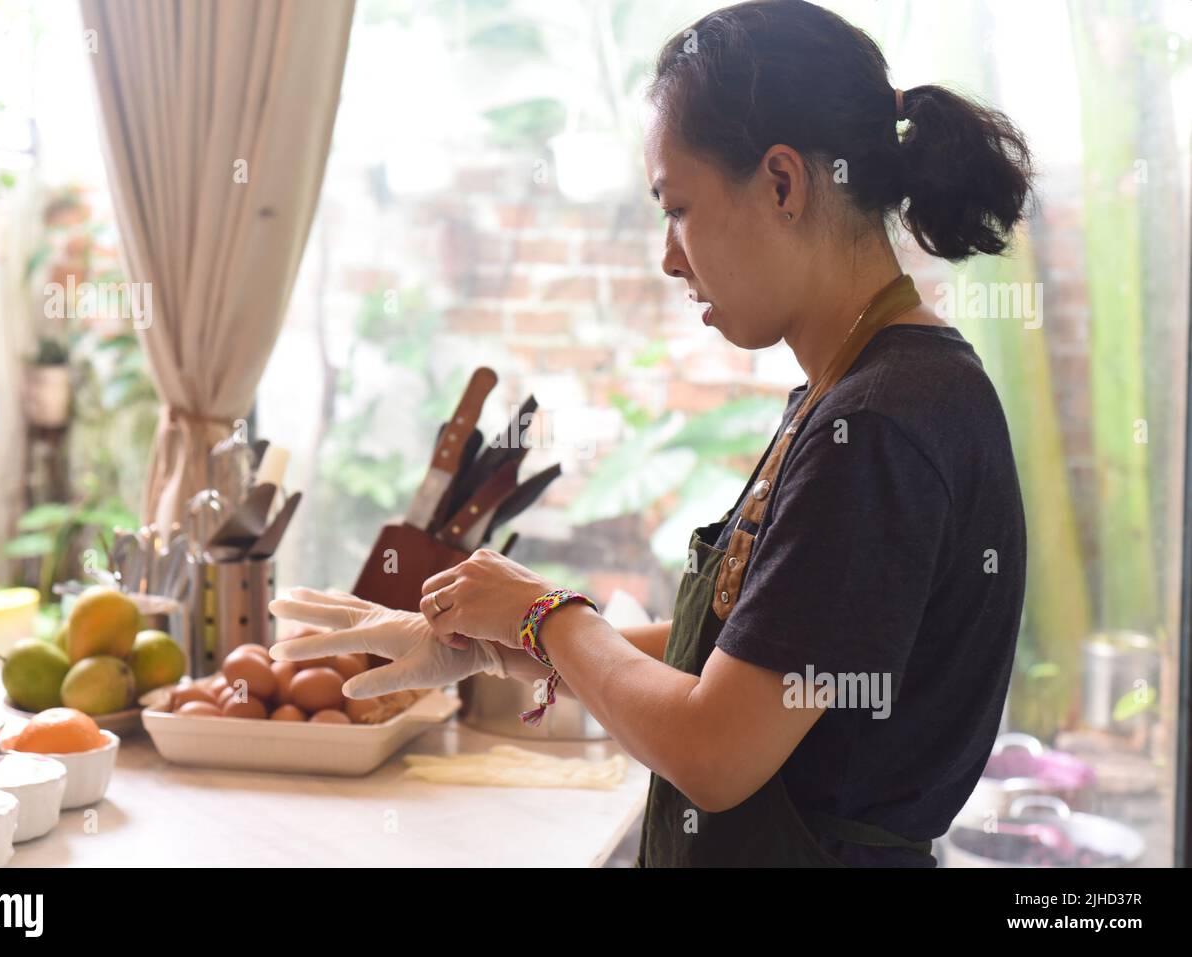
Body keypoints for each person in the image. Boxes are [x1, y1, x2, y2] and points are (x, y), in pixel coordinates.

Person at [270, 0, 1032, 867]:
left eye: (678, 207)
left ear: (782, 182)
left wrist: (544, 613)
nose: (670, 256)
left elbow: (716, 747)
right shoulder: (861, 392)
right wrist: (497, 643)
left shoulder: (881, 423)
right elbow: (741, 663)